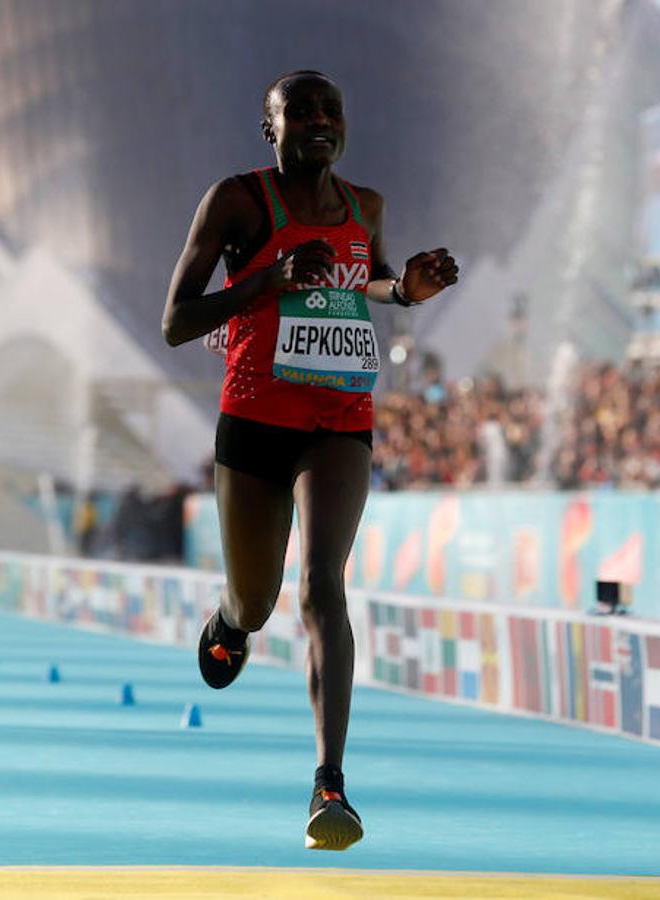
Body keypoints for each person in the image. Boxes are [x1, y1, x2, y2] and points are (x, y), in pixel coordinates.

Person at [162, 70, 458, 850]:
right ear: (272, 127)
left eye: (331, 110)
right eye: (300, 111)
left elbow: (373, 284)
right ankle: (229, 620)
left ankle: (330, 787)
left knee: (323, 584)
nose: (319, 121)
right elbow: (175, 322)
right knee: (258, 605)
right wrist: (264, 281)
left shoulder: (368, 207)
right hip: (253, 424)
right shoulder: (237, 200)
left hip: (338, 420)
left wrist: (407, 291)